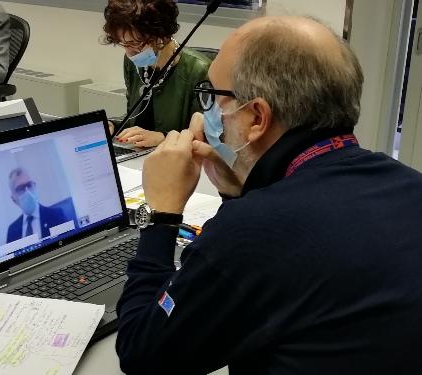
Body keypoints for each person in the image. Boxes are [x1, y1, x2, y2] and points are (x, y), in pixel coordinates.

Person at [115, 15, 422, 374]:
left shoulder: (253, 233)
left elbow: (142, 353)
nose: (208, 113)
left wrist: (161, 217)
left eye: (213, 97)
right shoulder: (408, 185)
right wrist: (240, 193)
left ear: (256, 117)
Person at [102, 0, 210, 148]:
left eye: (135, 44)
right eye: (123, 43)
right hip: (139, 157)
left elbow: (205, 137)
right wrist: (113, 125)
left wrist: (162, 138)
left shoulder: (200, 70)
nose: (129, 53)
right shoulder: (133, 64)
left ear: (161, 36)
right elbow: (135, 118)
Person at [6, 168, 67, 244]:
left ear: (34, 186)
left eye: (29, 185)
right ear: (14, 199)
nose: (27, 191)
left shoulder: (56, 215)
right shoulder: (12, 231)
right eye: (20, 188)